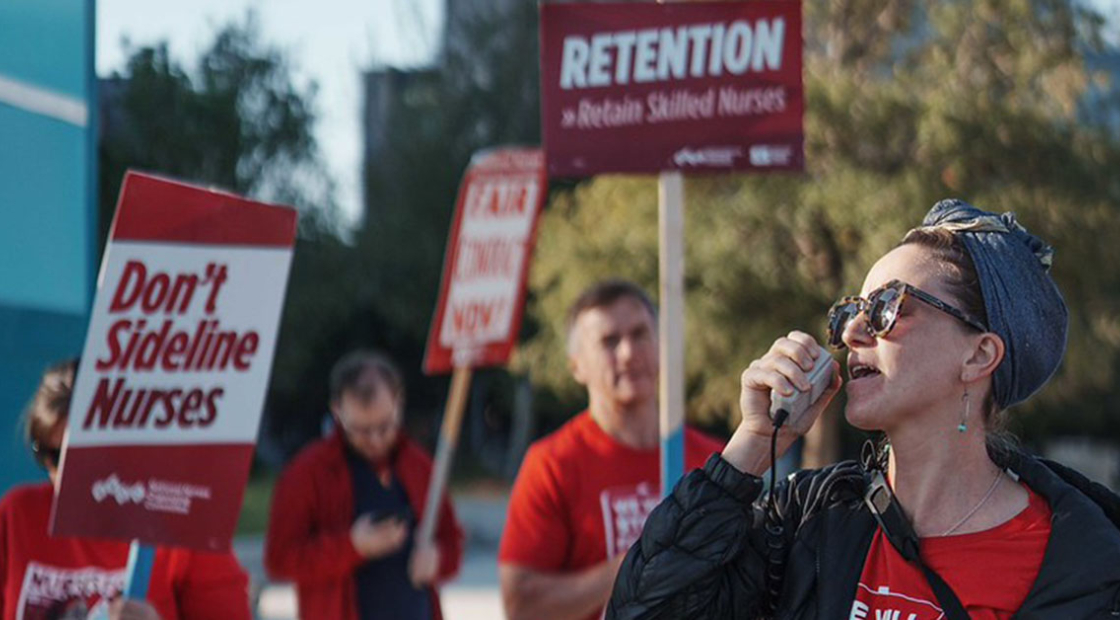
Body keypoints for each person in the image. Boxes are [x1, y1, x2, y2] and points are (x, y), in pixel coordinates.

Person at [607, 199, 1120, 619]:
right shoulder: (811, 520)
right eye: (852, 311)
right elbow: (643, 610)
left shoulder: (1083, 564)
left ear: (979, 354)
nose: (852, 333)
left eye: (888, 309)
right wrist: (751, 446)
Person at [499, 280, 725, 620]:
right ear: (577, 365)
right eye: (609, 341)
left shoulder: (714, 462)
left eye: (639, 334)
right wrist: (633, 565)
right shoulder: (552, 464)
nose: (628, 353)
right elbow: (521, 606)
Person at [0, 359, 251, 620]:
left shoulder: (181, 527)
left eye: (82, 457)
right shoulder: (18, 515)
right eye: (51, 456)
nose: (65, 473)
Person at [264, 350, 464, 620]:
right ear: (337, 411)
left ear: (399, 403)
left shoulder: (420, 466)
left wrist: (437, 559)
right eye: (361, 429)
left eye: (385, 426)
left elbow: (452, 541)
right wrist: (351, 546)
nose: (375, 440)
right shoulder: (308, 473)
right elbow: (279, 559)